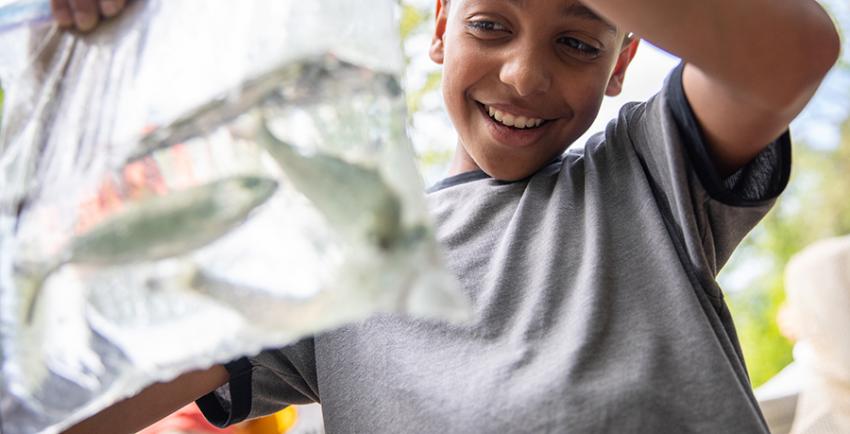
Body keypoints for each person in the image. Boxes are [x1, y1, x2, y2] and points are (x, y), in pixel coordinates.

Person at [55, 0, 841, 432]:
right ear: (438, 27)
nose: (524, 74)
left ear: (622, 63)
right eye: (489, 25)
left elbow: (794, 50)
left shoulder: (646, 170)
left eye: (575, 40)